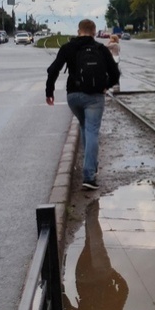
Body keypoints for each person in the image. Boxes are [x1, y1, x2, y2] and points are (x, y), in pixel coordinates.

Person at [46, 19, 120, 190]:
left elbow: (53, 70)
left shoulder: (68, 47)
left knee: (85, 125)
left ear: (79, 31)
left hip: (73, 96)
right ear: (94, 31)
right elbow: (115, 73)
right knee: (92, 130)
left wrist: (49, 92)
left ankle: (91, 165)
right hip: (94, 97)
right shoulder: (100, 49)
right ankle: (89, 175)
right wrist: (105, 86)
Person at [63, 201, 128, 310]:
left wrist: (113, 273)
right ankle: (90, 208)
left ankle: (91, 206)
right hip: (83, 277)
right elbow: (66, 306)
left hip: (102, 273)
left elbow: (124, 290)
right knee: (90, 243)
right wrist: (60, 289)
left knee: (95, 241)